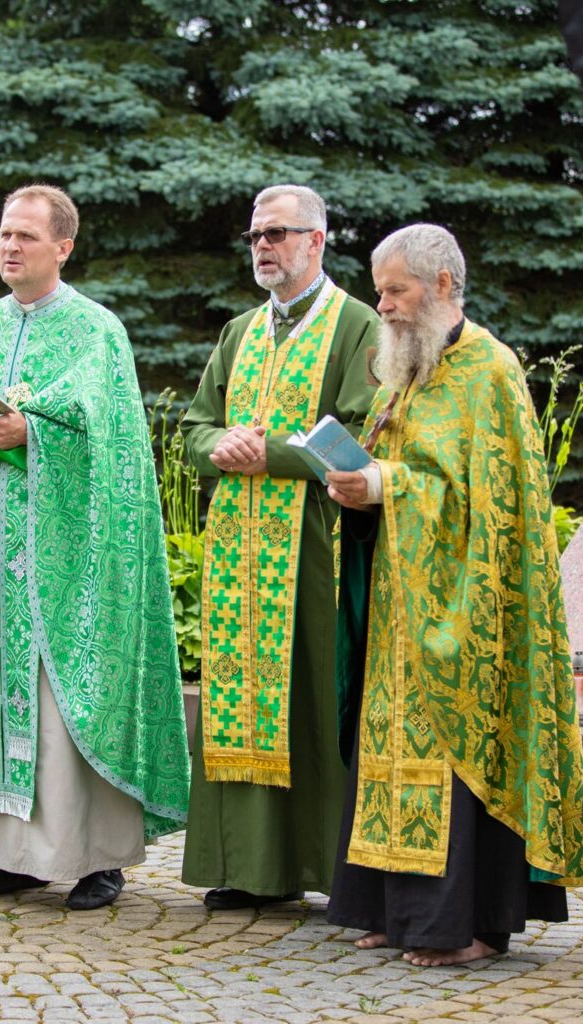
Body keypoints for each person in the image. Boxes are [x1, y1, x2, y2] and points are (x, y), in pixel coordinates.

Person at [0, 184, 189, 911]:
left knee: (62, 703)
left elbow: (119, 447)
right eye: (4, 234)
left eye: (26, 237)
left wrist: (33, 433)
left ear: (63, 246)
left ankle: (97, 859)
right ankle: (11, 857)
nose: (9, 247)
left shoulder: (98, 332)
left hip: (64, 562)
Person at [323, 224, 583, 965]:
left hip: (468, 613)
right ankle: (388, 906)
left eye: (395, 291)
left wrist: (387, 484)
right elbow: (403, 467)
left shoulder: (490, 372)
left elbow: (495, 505)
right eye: (379, 290)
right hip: (398, 606)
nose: (382, 306)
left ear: (443, 285)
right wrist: (357, 477)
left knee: (451, 758)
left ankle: (468, 924)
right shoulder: (409, 371)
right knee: (386, 750)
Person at [179, 184, 379, 910]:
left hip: (315, 547)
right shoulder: (238, 331)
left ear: (317, 241)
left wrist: (275, 454)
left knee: (312, 706)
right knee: (237, 704)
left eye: (279, 234)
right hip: (237, 549)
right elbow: (196, 428)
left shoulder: (355, 324)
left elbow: (363, 437)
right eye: (257, 235)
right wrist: (219, 442)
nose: (264, 246)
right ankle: (247, 870)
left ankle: (326, 871)